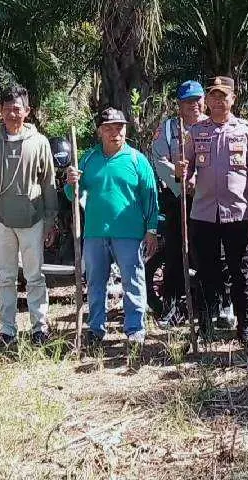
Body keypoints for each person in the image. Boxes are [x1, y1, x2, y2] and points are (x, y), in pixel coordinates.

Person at [176, 76, 248, 349]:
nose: (218, 101)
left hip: (237, 213)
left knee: (241, 272)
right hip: (203, 213)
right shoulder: (195, 131)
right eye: (213, 95)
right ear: (208, 99)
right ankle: (205, 325)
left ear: (232, 99)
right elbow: (187, 171)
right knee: (205, 271)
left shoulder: (246, 131)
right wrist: (182, 173)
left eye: (223, 96)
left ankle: (245, 326)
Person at [0, 86, 58, 349]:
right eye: (7, 109)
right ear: (0, 111)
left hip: (32, 219)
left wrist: (51, 220)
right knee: (5, 276)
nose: (12, 114)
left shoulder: (39, 141)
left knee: (34, 276)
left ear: (27, 111)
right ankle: (7, 330)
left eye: (17, 109)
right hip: (1, 218)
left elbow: (49, 182)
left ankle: (40, 328)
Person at [65, 108, 160, 351]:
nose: (114, 133)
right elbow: (73, 196)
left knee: (133, 281)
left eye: (119, 127)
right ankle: (96, 329)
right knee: (95, 283)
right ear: (100, 131)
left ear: (125, 130)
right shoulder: (87, 160)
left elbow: (151, 197)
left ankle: (135, 330)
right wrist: (71, 182)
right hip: (95, 232)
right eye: (108, 128)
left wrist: (151, 229)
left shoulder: (138, 160)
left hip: (129, 232)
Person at [150, 80, 207, 328]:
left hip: (207, 200)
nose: (193, 106)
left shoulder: (212, 126)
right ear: (179, 105)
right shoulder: (168, 128)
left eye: (197, 100)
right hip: (177, 199)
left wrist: (199, 183)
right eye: (187, 102)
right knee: (174, 254)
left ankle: (209, 308)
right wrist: (180, 179)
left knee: (207, 254)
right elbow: (159, 158)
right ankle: (172, 308)